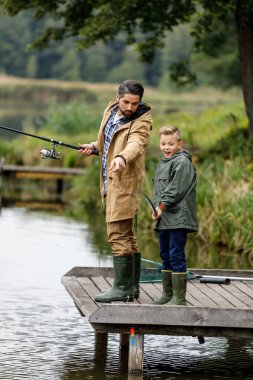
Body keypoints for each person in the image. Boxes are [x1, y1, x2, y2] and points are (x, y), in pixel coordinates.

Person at [79, 79, 152, 303]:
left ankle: (122, 288)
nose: (130, 107)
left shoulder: (142, 120)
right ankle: (131, 288)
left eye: (134, 103)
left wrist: (121, 158)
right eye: (126, 102)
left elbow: (135, 145)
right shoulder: (111, 111)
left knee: (118, 234)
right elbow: (109, 142)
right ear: (117, 96)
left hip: (124, 185)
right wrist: (95, 146)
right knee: (127, 235)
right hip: (109, 182)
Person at [152, 126, 197, 305]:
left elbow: (176, 189)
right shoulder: (163, 162)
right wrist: (157, 209)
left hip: (178, 218)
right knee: (165, 254)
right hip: (164, 218)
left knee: (176, 254)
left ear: (180, 144)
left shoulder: (182, 162)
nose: (166, 147)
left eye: (171, 143)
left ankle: (179, 298)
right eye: (163, 143)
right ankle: (167, 294)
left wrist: (161, 206)